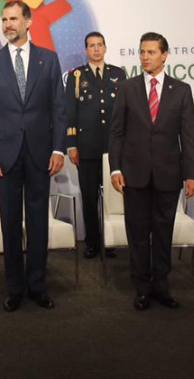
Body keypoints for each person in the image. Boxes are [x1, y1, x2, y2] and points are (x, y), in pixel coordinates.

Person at [0, 0, 66, 312]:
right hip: (5, 156)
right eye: (4, 20)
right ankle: (15, 287)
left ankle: (38, 285)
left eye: (13, 19)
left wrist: (58, 148)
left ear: (28, 22)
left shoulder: (49, 59)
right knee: (11, 223)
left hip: (41, 154)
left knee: (39, 222)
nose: (8, 25)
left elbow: (59, 108)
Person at [108, 32, 194, 311]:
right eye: (142, 52)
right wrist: (115, 169)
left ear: (164, 55)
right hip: (133, 174)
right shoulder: (127, 88)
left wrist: (191, 174)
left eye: (151, 52)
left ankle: (161, 286)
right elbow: (116, 133)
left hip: (168, 174)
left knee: (162, 232)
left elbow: (188, 137)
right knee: (137, 234)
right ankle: (142, 288)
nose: (145, 57)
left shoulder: (181, 90)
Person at [65, 32, 126, 259]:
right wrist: (72, 145)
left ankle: (110, 240)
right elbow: (70, 112)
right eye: (92, 46)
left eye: (100, 45)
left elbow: (125, 111)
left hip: (113, 148)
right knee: (90, 198)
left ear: (105, 48)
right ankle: (92, 241)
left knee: (111, 198)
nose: (96, 49)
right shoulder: (77, 76)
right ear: (86, 50)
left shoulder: (118, 74)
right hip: (87, 147)